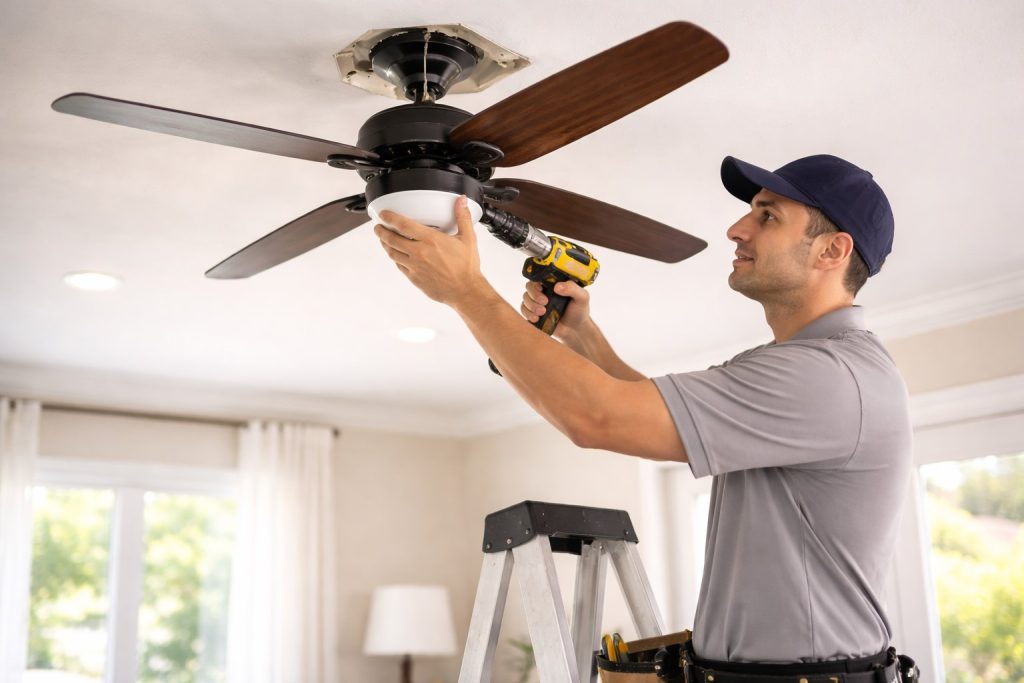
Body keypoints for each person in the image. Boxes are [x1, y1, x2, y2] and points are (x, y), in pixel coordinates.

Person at [374, 154, 914, 679]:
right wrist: (583, 338)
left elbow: (596, 418)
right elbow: (654, 411)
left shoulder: (828, 376)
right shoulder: (801, 369)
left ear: (832, 251)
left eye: (767, 215)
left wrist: (467, 291)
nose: (736, 228)